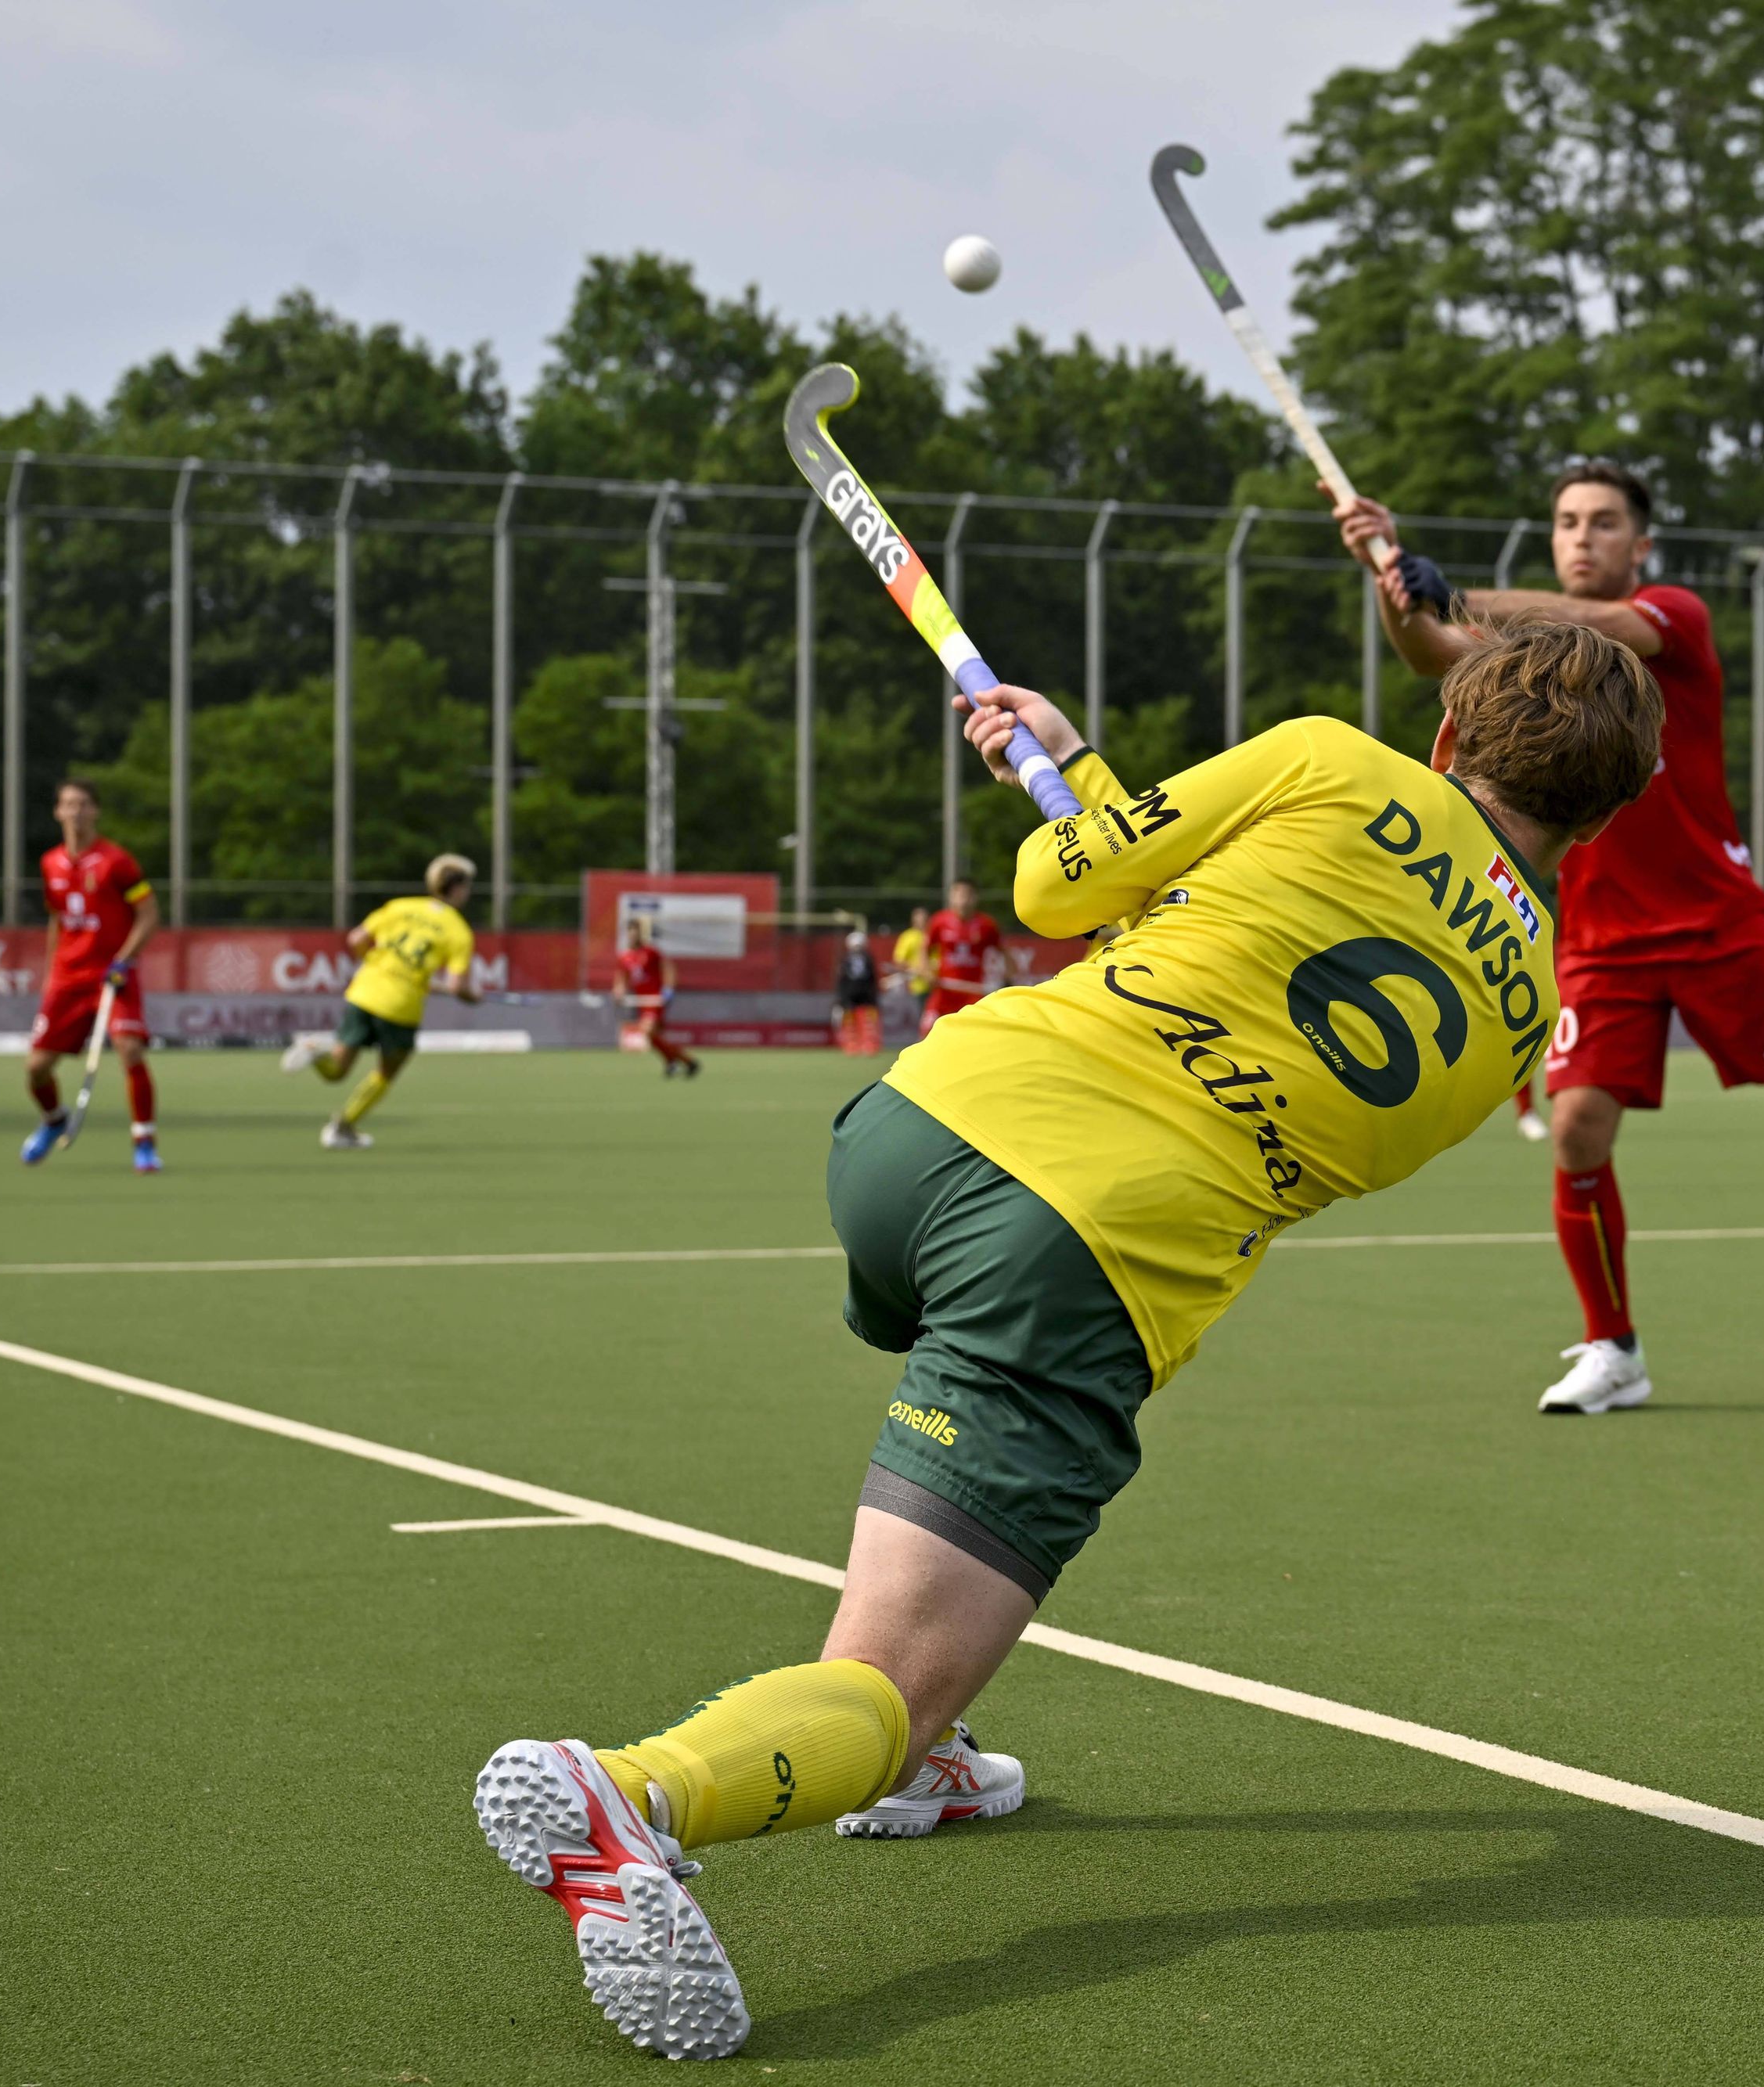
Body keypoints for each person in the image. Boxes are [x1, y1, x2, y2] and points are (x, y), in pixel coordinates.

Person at [470, 624, 1661, 2059]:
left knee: (942, 1424)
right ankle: (635, 1793)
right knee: (887, 1690)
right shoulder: (1527, 1009)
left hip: (913, 1137)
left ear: (1451, 738)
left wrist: (1083, 777)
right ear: (1605, 817)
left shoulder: (1327, 757)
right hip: (1073, 1253)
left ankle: (936, 1755)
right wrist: (1100, 806)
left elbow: (1060, 888)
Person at [1334, 462, 1764, 1413]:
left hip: (1719, 921)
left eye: (1604, 523)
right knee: (1573, 1128)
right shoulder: (1529, 659)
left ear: (1640, 544)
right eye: (1568, 522)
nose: (1582, 538)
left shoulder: (1672, 618)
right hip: (1603, 937)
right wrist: (1394, 583)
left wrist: (1452, 587)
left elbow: (1599, 629)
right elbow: (1429, 655)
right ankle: (1613, 1348)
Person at [280, 855, 481, 1147]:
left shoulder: (401, 906)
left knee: (337, 1070)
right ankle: (342, 1128)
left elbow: (356, 938)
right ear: (457, 888)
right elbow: (456, 986)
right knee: (386, 1072)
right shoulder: (458, 930)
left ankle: (314, 1050)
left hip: (365, 991)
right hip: (400, 1007)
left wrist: (373, 962)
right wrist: (473, 996)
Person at [20, 778, 162, 1173]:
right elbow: (58, 920)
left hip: (113, 975)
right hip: (68, 978)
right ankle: (53, 1120)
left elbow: (150, 915)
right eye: (68, 804)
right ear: (57, 812)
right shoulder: (50, 862)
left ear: (95, 811)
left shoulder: (117, 861)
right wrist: (51, 972)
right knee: (36, 1068)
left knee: (130, 1050)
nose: (76, 812)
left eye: (83, 804)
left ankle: (144, 1143)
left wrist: (124, 960)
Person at [913, 876, 1006, 1032]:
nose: (963, 899)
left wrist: (1008, 977)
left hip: (972, 994)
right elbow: (924, 950)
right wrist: (927, 971)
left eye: (968, 894)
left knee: (975, 1036)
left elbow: (1004, 952)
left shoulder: (987, 925)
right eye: (958, 893)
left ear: (975, 897)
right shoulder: (939, 921)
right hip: (944, 992)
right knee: (927, 1031)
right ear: (951, 896)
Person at [614, 916, 700, 1079]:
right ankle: (685, 1061)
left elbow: (669, 969)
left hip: (655, 1000)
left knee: (647, 1031)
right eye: (631, 932)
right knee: (653, 1037)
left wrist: (668, 989)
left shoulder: (651, 952)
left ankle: (676, 1061)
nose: (633, 935)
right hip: (642, 1002)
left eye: (636, 932)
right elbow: (621, 979)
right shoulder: (624, 957)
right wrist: (618, 991)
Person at [830, 927, 886, 1056]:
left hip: (866, 994)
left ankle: (869, 1045)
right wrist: (841, 997)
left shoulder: (867, 958)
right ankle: (852, 1046)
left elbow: (872, 977)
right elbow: (842, 979)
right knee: (850, 1022)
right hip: (850, 994)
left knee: (868, 1022)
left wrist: (874, 994)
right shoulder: (846, 959)